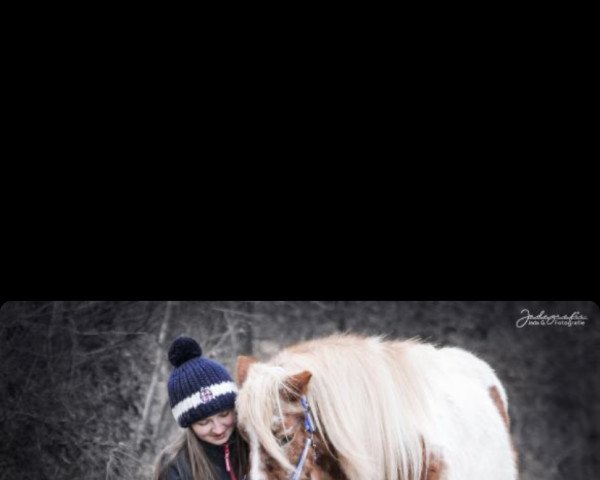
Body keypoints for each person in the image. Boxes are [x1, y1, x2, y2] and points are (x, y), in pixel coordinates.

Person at [153, 336, 248, 480]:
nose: (218, 429)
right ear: (189, 424)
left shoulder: (255, 445)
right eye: (204, 422)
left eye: (224, 414)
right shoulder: (174, 466)